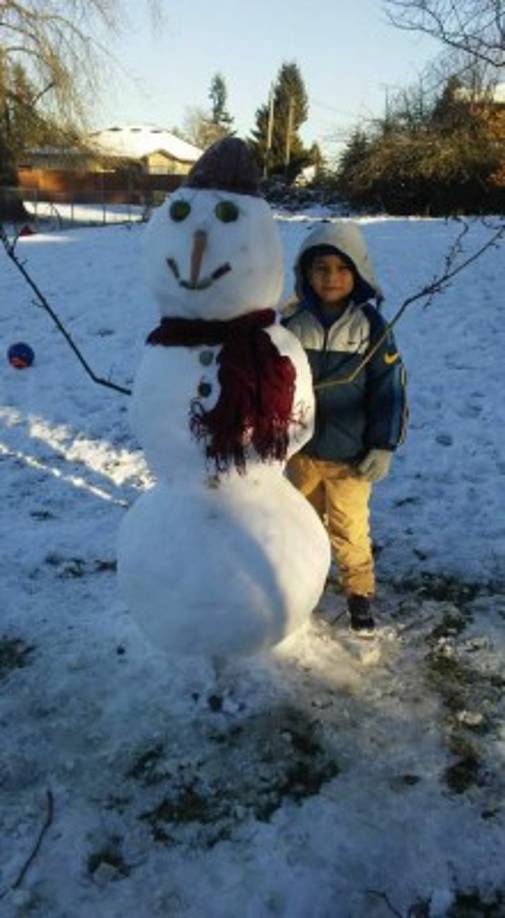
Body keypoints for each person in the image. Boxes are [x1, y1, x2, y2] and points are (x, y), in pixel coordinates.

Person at [284, 221, 408, 634]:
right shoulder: (291, 323)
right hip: (299, 453)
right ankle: (297, 586)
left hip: (350, 458)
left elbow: (389, 388)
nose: (331, 277)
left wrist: (383, 444)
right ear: (306, 273)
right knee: (296, 524)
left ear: (358, 273)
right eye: (321, 268)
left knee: (349, 528)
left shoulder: (370, 327)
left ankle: (358, 593)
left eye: (341, 268)